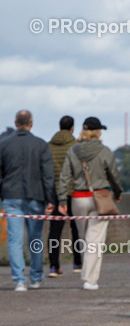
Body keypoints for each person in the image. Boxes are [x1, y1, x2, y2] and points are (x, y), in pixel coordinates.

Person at [57, 117, 122, 291]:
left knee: (84, 238)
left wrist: (62, 199)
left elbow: (65, 176)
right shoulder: (105, 151)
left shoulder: (73, 151)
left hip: (78, 198)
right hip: (99, 198)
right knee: (95, 241)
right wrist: (117, 193)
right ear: (98, 132)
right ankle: (90, 280)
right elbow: (114, 176)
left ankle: (86, 273)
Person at [0, 110, 57, 291]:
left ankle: (19, 280)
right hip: (35, 196)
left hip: (11, 196)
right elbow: (48, 175)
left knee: (15, 240)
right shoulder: (40, 145)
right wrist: (51, 199)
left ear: (16, 123)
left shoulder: (4, 145)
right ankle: (35, 277)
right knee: (35, 238)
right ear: (31, 123)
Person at [47, 115, 83, 277]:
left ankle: (54, 266)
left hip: (55, 192)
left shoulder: (48, 146)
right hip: (74, 192)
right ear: (72, 128)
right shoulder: (76, 146)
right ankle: (78, 263)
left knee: (54, 231)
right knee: (76, 229)